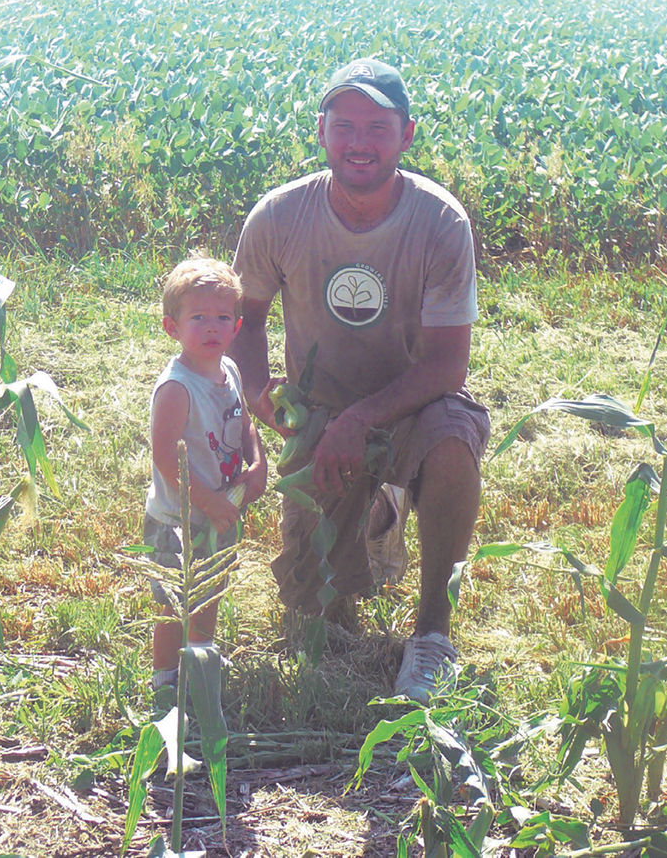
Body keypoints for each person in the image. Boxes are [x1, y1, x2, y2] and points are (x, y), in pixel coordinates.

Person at [229, 58, 490, 704]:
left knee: (454, 440)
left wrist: (362, 419)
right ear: (321, 132)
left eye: (377, 126)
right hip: (318, 418)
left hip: (412, 410)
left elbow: (446, 365)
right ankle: (373, 510)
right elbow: (243, 319)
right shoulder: (279, 215)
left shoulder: (439, 221)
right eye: (344, 125)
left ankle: (431, 635)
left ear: (406, 134)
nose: (359, 141)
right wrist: (265, 400)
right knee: (316, 623)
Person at [145, 255, 267, 690]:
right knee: (174, 601)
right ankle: (164, 677)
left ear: (236, 328)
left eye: (222, 318)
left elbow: (246, 420)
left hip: (220, 508)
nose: (212, 327)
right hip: (177, 519)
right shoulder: (177, 388)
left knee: (210, 591)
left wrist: (258, 461)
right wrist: (208, 501)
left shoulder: (229, 370)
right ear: (171, 328)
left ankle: (199, 661)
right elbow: (165, 458)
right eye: (198, 317)